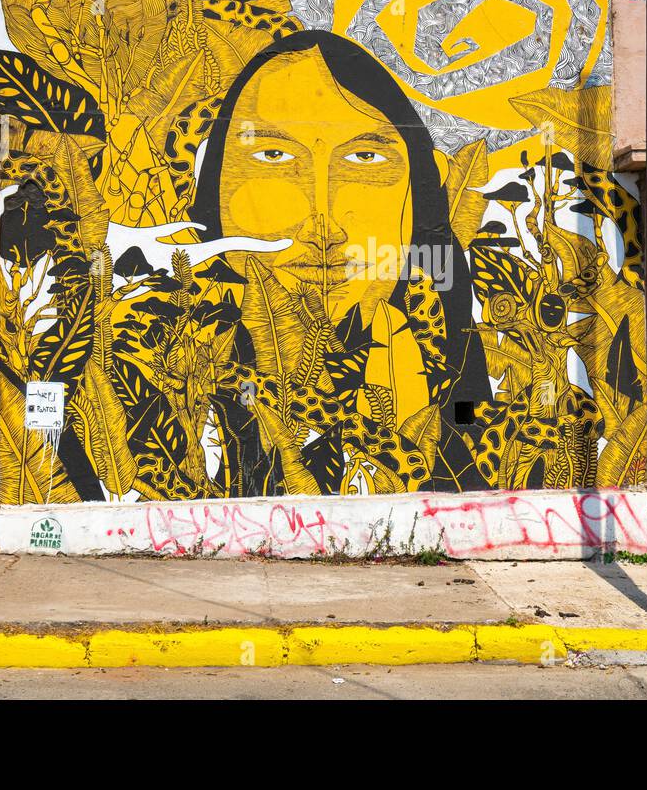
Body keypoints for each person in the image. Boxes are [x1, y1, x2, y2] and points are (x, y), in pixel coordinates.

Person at [191, 30, 490, 495]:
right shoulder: (173, 405)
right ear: (212, 185)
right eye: (273, 155)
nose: (324, 225)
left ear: (418, 194)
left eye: (364, 158)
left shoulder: (461, 402)